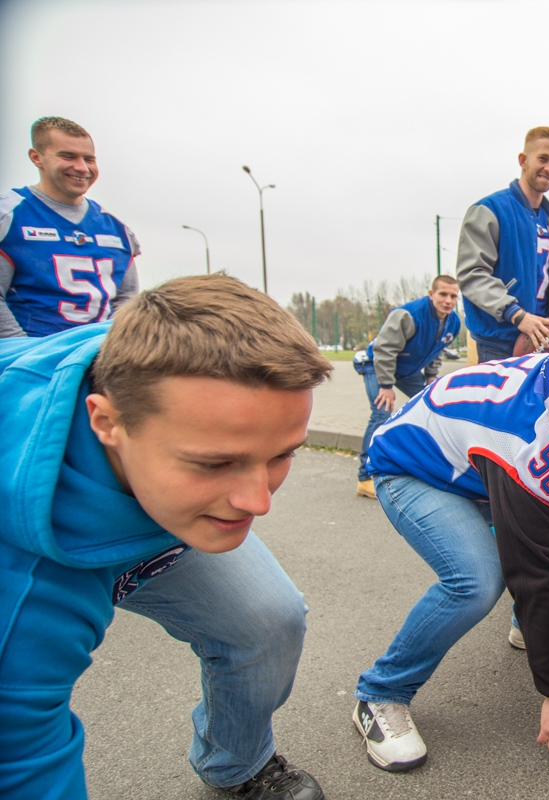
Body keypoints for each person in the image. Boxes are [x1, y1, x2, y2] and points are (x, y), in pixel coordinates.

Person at [0, 274, 332, 800]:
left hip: (147, 499)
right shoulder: (19, 598)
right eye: (215, 461)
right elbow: (22, 767)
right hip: (46, 537)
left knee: (268, 619)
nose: (259, 501)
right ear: (106, 421)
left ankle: (235, 762)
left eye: (281, 454)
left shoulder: (146, 365)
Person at [352, 331, 549, 781]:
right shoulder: (531, 433)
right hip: (411, 472)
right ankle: (381, 693)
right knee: (478, 580)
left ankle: (527, 629)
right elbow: (530, 568)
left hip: (471, 464)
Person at [0, 117, 140, 338]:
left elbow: (127, 299)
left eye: (89, 159)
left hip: (98, 358)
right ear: (37, 158)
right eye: (68, 156)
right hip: (28, 360)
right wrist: (26, 354)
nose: (82, 168)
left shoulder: (116, 229)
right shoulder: (8, 217)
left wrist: (114, 347)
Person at [456, 126, 549, 363]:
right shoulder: (490, 210)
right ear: (523, 160)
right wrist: (517, 315)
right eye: (543, 159)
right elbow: (472, 274)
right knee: (498, 402)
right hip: (501, 343)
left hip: (542, 341)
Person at [352, 275, 462, 498]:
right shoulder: (408, 315)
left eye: (453, 296)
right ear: (431, 294)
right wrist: (385, 385)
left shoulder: (453, 322)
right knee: (381, 413)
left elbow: (436, 349)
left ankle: (423, 465)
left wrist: (431, 377)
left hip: (408, 371)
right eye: (443, 294)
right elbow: (384, 350)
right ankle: (364, 478)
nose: (448, 300)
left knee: (433, 407)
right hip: (377, 366)